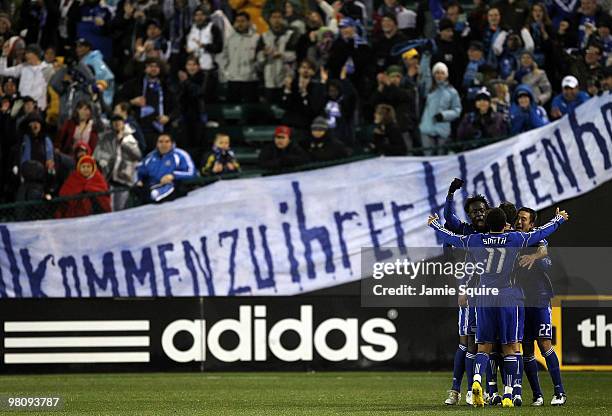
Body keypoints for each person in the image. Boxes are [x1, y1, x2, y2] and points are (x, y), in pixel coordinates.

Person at [430, 206, 569, 408]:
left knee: (484, 346)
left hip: (485, 296)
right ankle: (510, 394)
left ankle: (477, 380)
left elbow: (451, 237)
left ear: (488, 223)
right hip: (508, 296)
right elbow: (541, 233)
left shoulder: (475, 240)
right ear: (506, 224)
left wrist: (433, 224)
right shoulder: (515, 238)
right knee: (511, 347)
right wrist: (559, 220)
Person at [442, 180, 489, 407]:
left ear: (487, 211)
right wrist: (451, 193)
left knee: (491, 345)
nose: (478, 214)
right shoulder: (466, 231)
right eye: (473, 212)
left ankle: (493, 390)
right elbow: (448, 220)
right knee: (466, 342)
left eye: (481, 210)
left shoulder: (497, 229)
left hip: (495, 295)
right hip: (469, 293)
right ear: (469, 216)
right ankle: (459, 390)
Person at [514, 207, 567, 407]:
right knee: (526, 349)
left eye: (524, 219)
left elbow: (544, 252)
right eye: (518, 218)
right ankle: (537, 395)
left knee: (544, 343)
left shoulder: (537, 239)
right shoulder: (513, 239)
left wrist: (534, 257)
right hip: (520, 300)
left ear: (532, 224)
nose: (520, 222)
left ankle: (559, 392)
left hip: (540, 298)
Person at [118, 57, 176, 152]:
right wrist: (132, 102)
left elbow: (176, 108)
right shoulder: (134, 84)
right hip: (137, 126)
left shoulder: (167, 86)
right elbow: (119, 102)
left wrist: (168, 117)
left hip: (158, 129)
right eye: (150, 66)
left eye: (156, 66)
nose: (153, 69)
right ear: (145, 68)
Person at [93, 115, 142, 211]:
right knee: (110, 209)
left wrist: (123, 142)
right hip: (108, 178)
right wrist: (106, 159)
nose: (117, 124)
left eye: (119, 122)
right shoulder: (106, 137)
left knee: (121, 209)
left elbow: (137, 155)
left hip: (124, 178)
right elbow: (97, 154)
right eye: (114, 122)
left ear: (123, 123)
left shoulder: (129, 137)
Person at [371, 65, 420, 151]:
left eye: (398, 76)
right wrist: (380, 86)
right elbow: (373, 103)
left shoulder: (407, 88)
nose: (395, 79)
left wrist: (389, 84)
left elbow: (401, 95)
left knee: (407, 154)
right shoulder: (386, 90)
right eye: (392, 76)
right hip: (387, 131)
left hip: (403, 129)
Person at [136, 133, 197, 203]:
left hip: (173, 188)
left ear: (172, 143)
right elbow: (140, 170)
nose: (163, 145)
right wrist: (139, 180)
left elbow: (192, 173)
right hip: (151, 189)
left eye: (167, 142)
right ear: (157, 144)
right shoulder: (150, 157)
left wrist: (173, 176)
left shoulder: (180, 155)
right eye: (160, 142)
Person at [419, 62, 462, 155]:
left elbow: (457, 110)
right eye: (437, 73)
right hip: (427, 128)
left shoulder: (452, 92)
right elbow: (424, 75)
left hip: (443, 130)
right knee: (428, 158)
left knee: (441, 158)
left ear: (446, 75)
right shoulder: (429, 89)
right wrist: (426, 57)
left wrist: (443, 115)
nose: (439, 75)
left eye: (442, 73)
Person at [257, 9, 297, 105]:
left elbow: (294, 55)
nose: (276, 20)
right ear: (269, 20)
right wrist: (264, 55)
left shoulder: (290, 35)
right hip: (268, 79)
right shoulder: (264, 36)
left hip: (285, 79)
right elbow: (258, 59)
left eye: (279, 17)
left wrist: (281, 54)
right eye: (274, 17)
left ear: (283, 19)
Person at [186, 6, 224, 101]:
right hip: (192, 70)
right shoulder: (190, 29)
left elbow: (219, 47)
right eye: (197, 15)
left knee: (205, 97)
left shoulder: (213, 28)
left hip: (207, 69)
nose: (199, 17)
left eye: (202, 15)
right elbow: (184, 45)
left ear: (206, 16)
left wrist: (205, 46)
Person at [280, 58, 325, 138]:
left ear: (313, 72)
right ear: (298, 70)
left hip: (307, 124)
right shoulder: (291, 84)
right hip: (290, 123)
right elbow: (284, 105)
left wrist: (304, 93)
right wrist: (287, 90)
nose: (306, 70)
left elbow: (314, 108)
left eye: (309, 68)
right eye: (303, 67)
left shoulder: (317, 87)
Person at [0, 43, 52, 111]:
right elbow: (2, 71)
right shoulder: (23, 67)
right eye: (26, 53)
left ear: (36, 54)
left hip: (38, 107)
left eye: (28, 53)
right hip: (22, 105)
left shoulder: (47, 68)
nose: (26, 55)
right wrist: (4, 56)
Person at [223, 12, 261, 103]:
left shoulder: (256, 38)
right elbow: (224, 57)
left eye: (243, 21)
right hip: (233, 80)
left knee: (251, 111)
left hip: (250, 80)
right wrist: (227, 73)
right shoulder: (230, 38)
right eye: (237, 21)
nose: (240, 24)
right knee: (232, 112)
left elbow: (260, 58)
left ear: (248, 22)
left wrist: (254, 70)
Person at [177, 55, 207, 155]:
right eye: (189, 64)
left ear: (198, 66)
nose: (191, 67)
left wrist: (186, 81)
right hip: (184, 114)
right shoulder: (180, 78)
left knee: (198, 142)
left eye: (194, 64)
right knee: (185, 142)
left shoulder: (203, 77)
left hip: (198, 115)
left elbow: (199, 92)